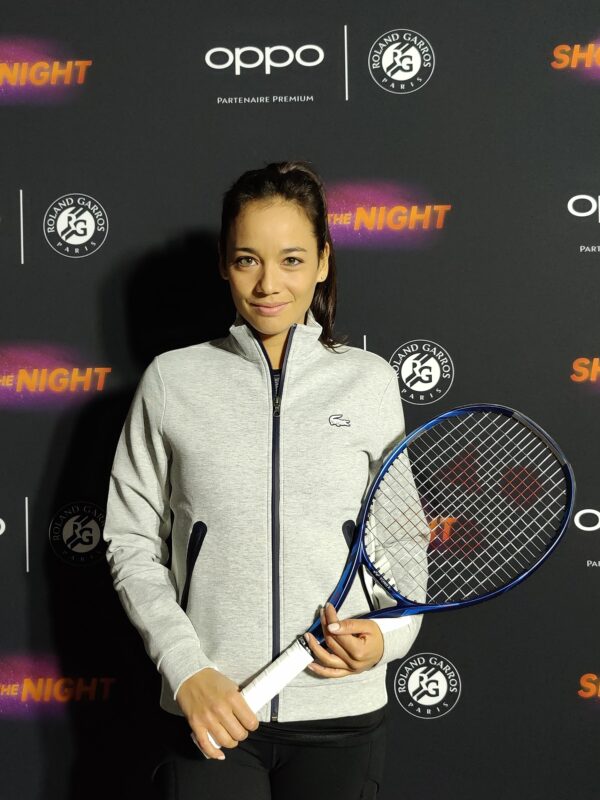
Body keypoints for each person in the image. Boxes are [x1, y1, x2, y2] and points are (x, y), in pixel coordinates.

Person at [102, 160, 425, 800]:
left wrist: (387, 637)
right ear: (224, 264)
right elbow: (130, 541)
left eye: (292, 260)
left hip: (340, 710)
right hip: (213, 711)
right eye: (247, 260)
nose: (268, 284)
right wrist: (187, 670)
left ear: (323, 262)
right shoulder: (172, 380)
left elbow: (402, 540)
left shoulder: (369, 381)